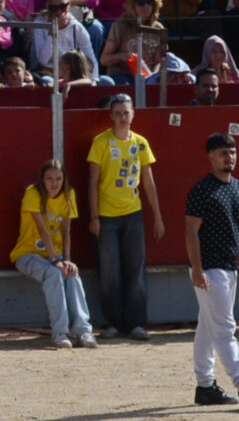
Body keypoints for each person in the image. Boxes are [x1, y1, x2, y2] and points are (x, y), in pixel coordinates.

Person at [181, 131, 239, 408]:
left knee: (208, 327)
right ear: (210, 157)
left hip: (227, 267)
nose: (229, 157)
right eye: (223, 153)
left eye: (232, 152)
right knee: (224, 327)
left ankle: (205, 387)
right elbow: (190, 230)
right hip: (209, 269)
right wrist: (197, 269)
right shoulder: (202, 190)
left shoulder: (236, 187)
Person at [83, 90, 161, 337]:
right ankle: (113, 322)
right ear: (111, 116)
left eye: (126, 113)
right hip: (106, 216)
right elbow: (92, 182)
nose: (122, 118)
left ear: (133, 114)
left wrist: (157, 216)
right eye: (118, 113)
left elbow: (148, 182)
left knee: (136, 269)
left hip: (133, 213)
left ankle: (136, 323)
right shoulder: (101, 142)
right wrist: (94, 217)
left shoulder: (140, 142)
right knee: (110, 271)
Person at [11, 157, 93, 348]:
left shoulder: (69, 194)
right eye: (49, 179)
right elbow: (43, 230)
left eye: (58, 179)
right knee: (54, 274)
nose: (54, 183)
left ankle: (83, 331)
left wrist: (67, 259)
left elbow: (66, 230)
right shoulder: (33, 193)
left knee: (72, 273)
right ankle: (60, 333)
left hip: (54, 256)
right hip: (28, 255)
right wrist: (57, 261)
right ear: (42, 180)